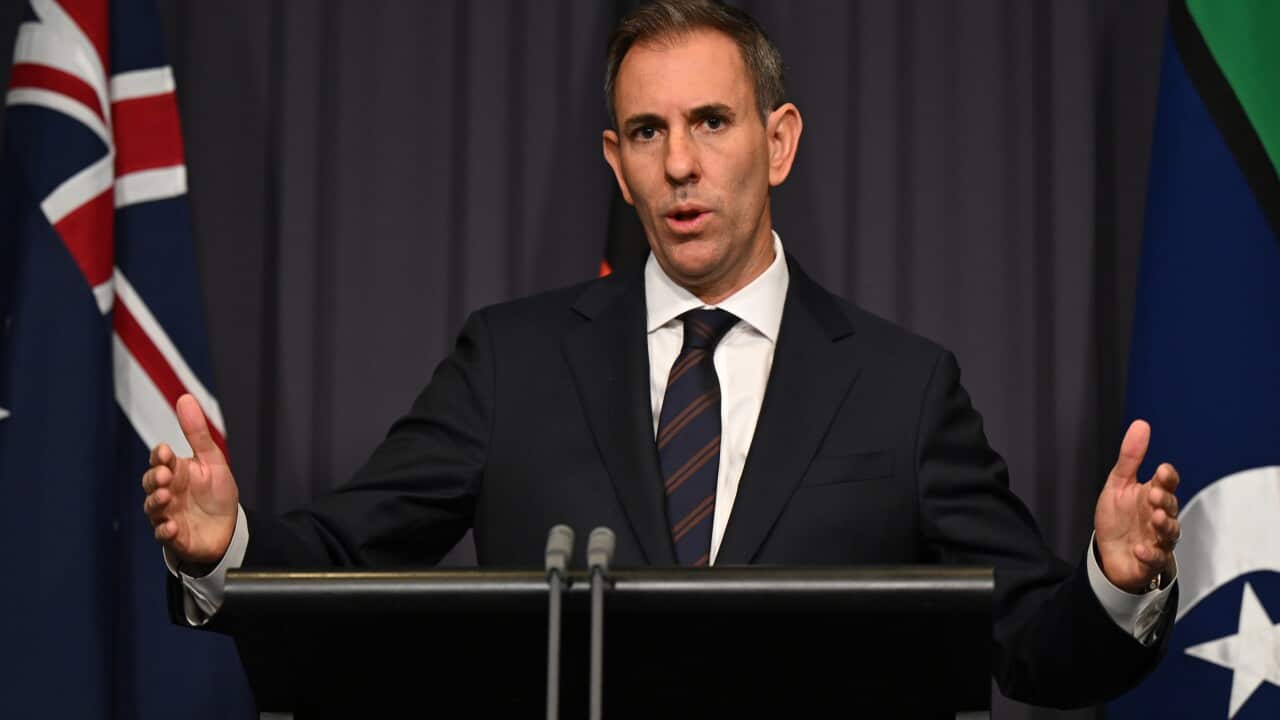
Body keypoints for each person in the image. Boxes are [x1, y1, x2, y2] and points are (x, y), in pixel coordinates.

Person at [142, 0, 1181, 708]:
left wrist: (1110, 580)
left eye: (709, 122)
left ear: (776, 142)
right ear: (615, 162)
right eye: (645, 131)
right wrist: (226, 546)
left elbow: (1032, 643)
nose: (678, 163)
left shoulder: (901, 387)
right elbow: (341, 564)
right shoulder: (511, 362)